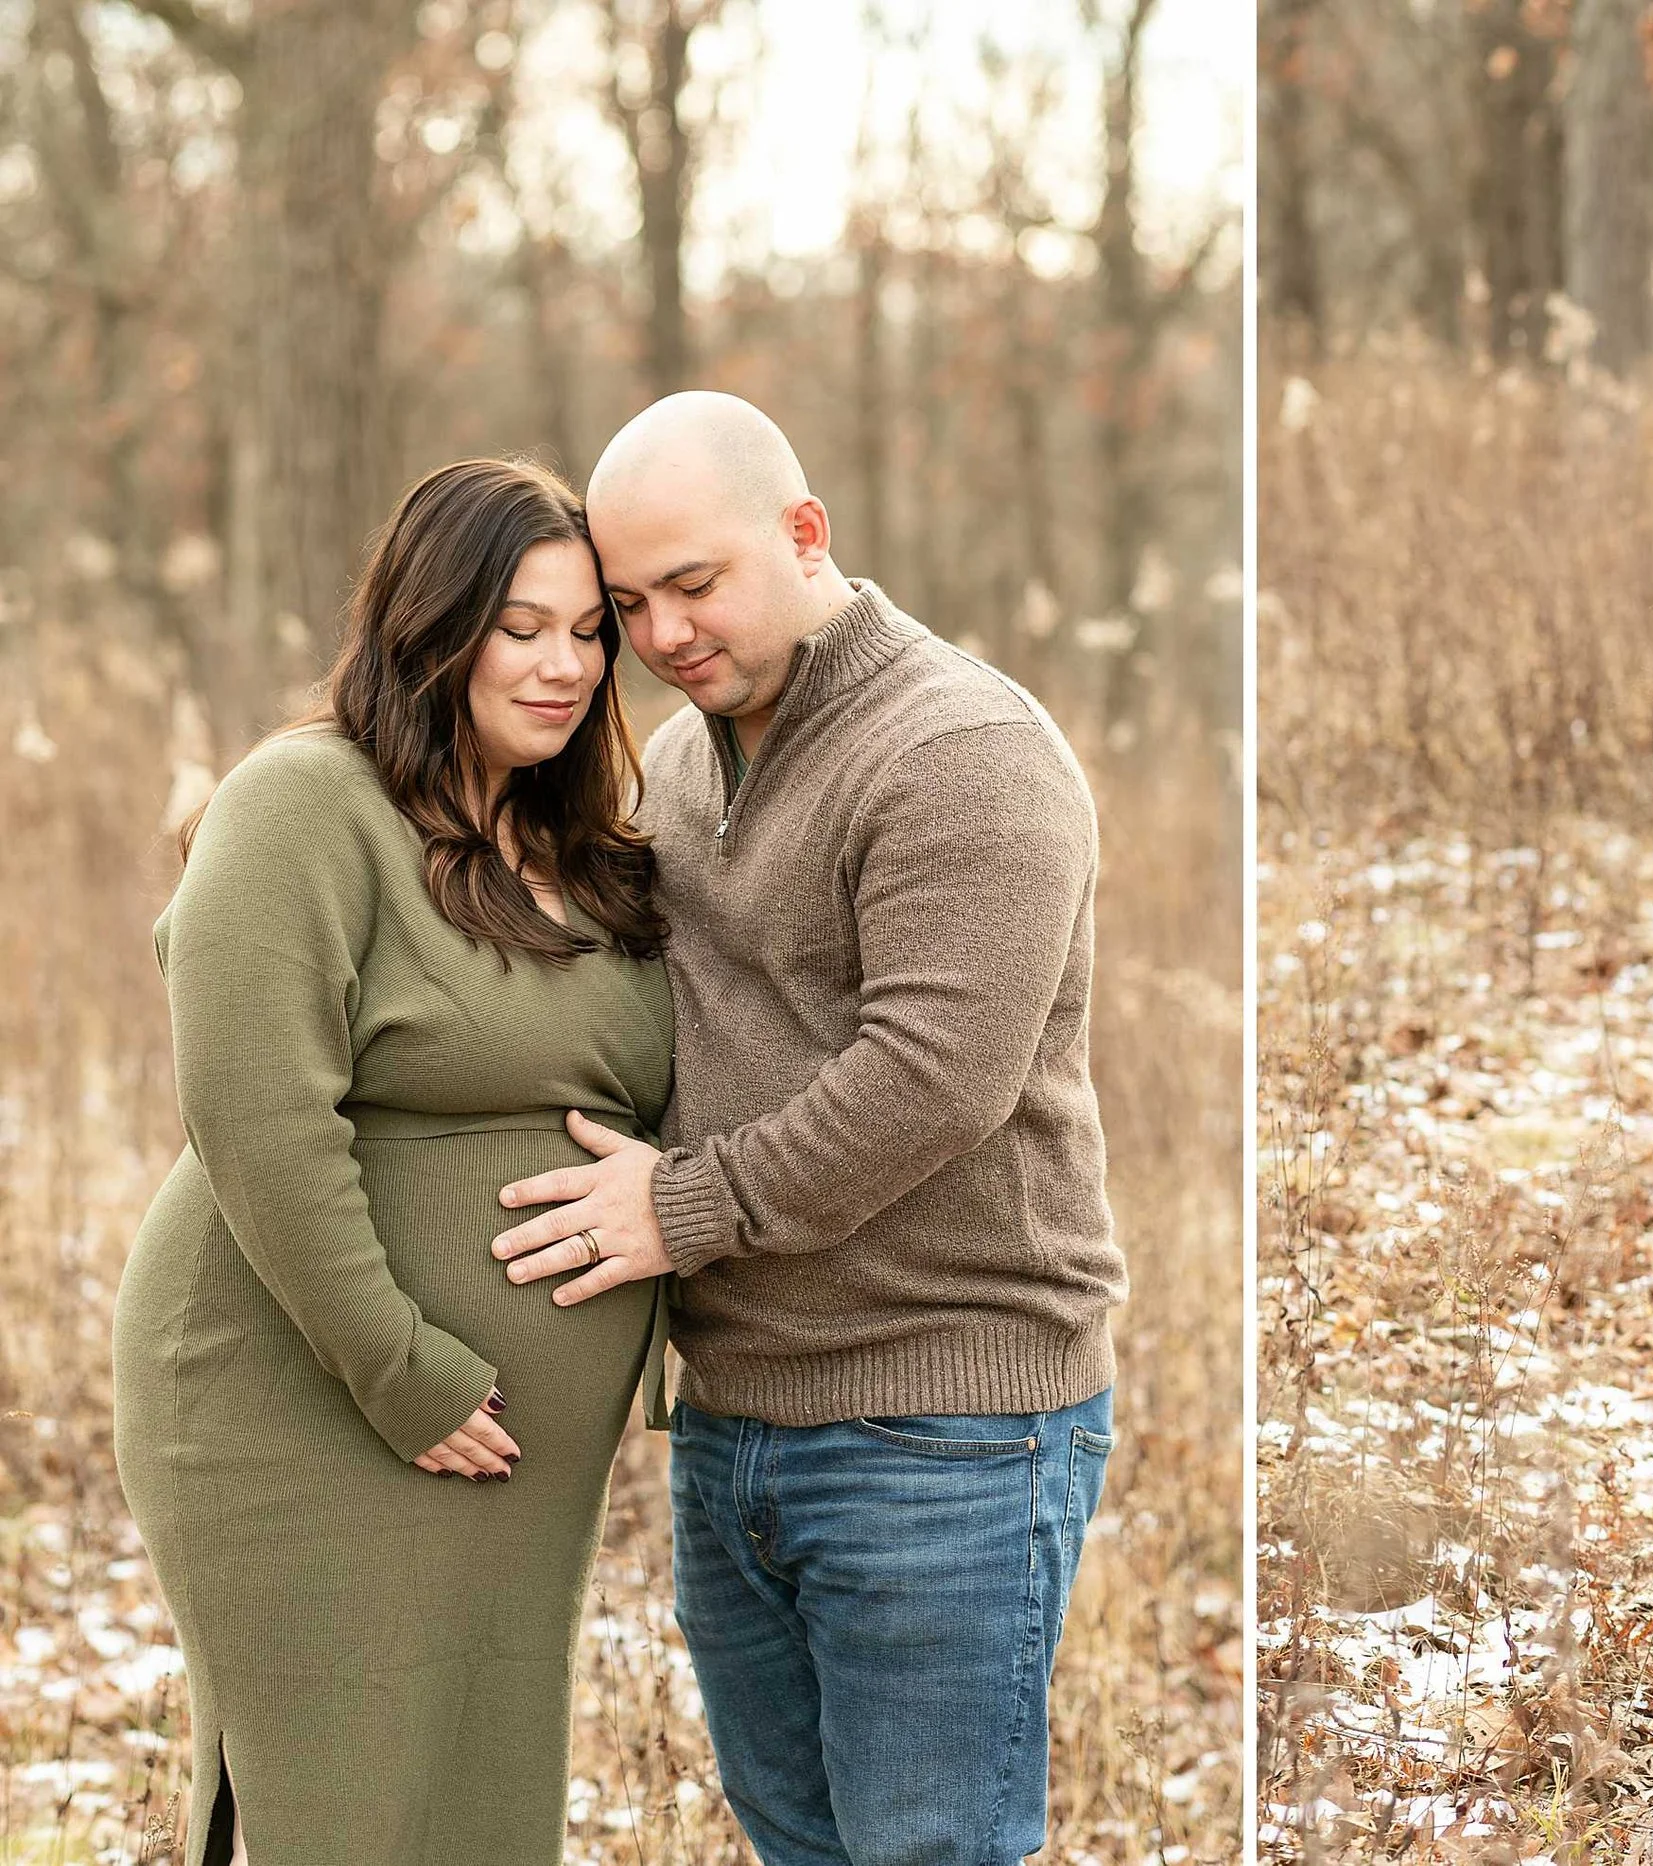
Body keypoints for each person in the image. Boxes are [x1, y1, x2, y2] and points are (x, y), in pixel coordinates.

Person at [483, 392, 1129, 1865]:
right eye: (630, 604)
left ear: (804, 530)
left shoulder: (962, 749)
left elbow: (936, 1075)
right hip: (736, 1420)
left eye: (694, 585)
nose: (661, 635)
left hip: (943, 1424)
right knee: (800, 1845)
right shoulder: (684, 763)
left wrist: (680, 1209)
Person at [113, 459, 675, 1864]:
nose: (565, 665)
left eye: (588, 631)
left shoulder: (579, 843)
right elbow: (255, 1111)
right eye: (520, 626)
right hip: (307, 1398)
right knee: (340, 1809)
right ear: (432, 625)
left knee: (473, 1806)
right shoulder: (305, 803)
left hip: (510, 1455)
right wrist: (398, 1366)